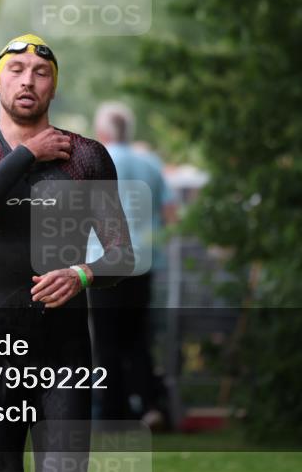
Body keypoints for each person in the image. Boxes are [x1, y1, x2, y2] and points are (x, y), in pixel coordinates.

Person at [0, 34, 135, 471]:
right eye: (16, 70)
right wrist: (29, 153)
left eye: (40, 73)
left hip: (64, 351)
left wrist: (81, 274)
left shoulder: (86, 157)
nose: (27, 81)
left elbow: (122, 254)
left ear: (53, 87)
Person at [88, 101, 178, 427]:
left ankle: (114, 412)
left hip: (104, 264)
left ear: (101, 132)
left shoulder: (95, 160)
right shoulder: (151, 164)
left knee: (107, 341)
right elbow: (171, 213)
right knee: (138, 337)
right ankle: (150, 407)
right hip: (143, 261)